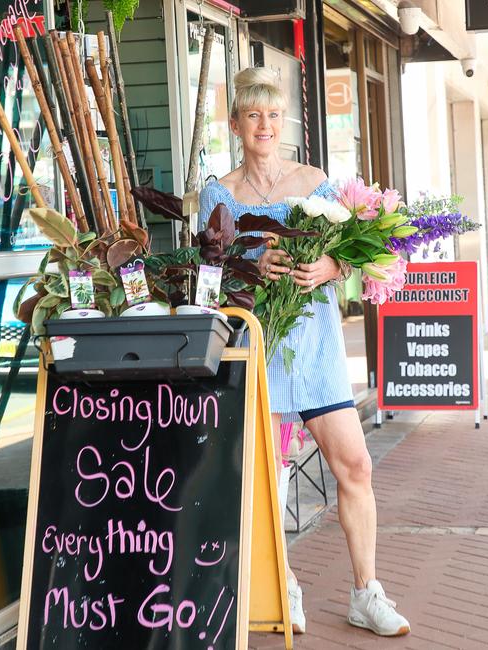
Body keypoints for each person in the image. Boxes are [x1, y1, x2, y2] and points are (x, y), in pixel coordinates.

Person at [199, 67, 410, 638]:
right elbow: (204, 282)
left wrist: (333, 266)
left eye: (273, 114)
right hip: (258, 348)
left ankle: (366, 593)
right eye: (252, 114)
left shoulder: (316, 183)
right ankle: (283, 583)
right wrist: (248, 266)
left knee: (356, 465)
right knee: (270, 477)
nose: (264, 124)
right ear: (236, 122)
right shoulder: (219, 194)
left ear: (282, 120)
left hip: (314, 348)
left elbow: (364, 251)